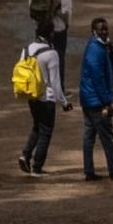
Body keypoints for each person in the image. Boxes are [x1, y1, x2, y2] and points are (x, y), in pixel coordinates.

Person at [18, 20, 74, 178]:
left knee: (37, 126)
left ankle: (25, 154)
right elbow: (56, 84)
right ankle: (37, 167)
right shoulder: (51, 53)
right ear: (51, 34)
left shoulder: (26, 50)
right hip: (46, 98)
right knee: (46, 131)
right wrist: (64, 102)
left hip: (32, 96)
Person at [80, 18, 113, 181]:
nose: (104, 32)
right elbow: (98, 79)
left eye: (106, 29)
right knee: (107, 137)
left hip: (89, 99)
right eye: (101, 29)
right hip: (96, 101)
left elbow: (112, 64)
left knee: (89, 136)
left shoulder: (99, 47)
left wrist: (111, 48)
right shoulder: (96, 50)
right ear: (93, 31)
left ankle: (89, 171)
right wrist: (107, 103)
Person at [28, 0, 73, 91]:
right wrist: (66, 25)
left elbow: (31, 7)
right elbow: (66, 12)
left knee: (40, 56)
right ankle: (59, 90)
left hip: (40, 28)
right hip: (58, 29)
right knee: (58, 58)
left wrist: (38, 24)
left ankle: (42, 87)